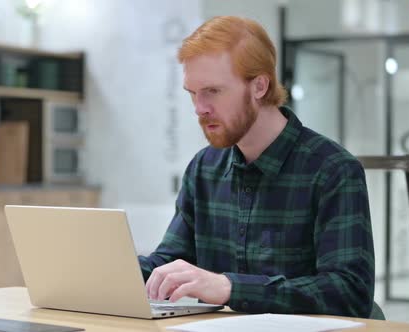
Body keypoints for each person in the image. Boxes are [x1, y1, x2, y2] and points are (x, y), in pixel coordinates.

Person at [138, 16, 378, 318]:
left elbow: (348, 292)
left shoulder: (332, 170)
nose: (199, 108)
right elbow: (171, 263)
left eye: (213, 91)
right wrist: (108, 269)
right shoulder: (204, 168)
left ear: (260, 86)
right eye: (193, 93)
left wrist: (230, 287)